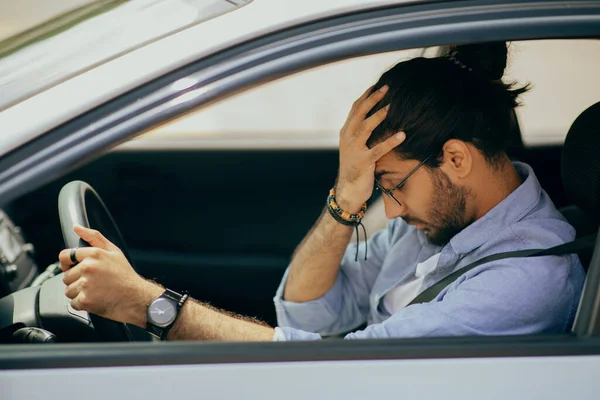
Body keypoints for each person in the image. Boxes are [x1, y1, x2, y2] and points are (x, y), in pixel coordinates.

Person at [58, 42, 585, 342]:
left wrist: (152, 305)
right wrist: (344, 199)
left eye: (395, 186)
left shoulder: (526, 279)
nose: (393, 211)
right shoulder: (444, 218)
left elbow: (338, 368)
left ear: (455, 159)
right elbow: (307, 315)